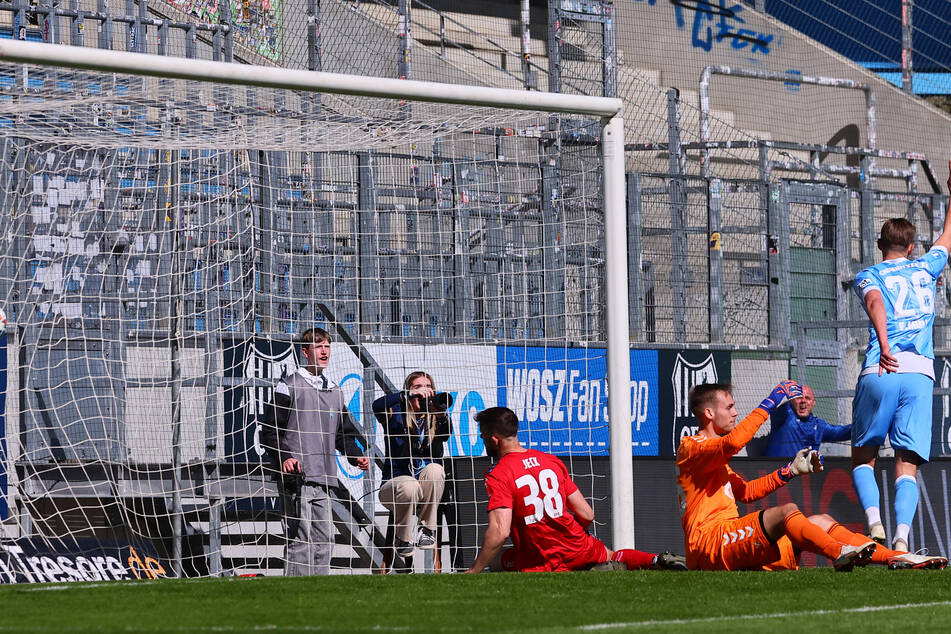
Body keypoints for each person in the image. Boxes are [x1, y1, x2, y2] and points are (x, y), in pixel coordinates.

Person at [678, 382, 946, 571]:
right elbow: (735, 442)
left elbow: (746, 492)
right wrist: (770, 402)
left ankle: (897, 557)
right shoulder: (693, 447)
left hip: (730, 541)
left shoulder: (712, 458)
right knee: (786, 512)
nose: (735, 412)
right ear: (709, 413)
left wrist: (790, 471)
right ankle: (839, 553)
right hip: (709, 543)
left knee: (822, 521)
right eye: (729, 407)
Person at [465, 406, 686, 573]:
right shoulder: (550, 460)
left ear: (494, 439)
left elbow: (500, 531)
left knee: (497, 561)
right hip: (575, 544)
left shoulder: (498, 472)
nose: (483, 441)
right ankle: (656, 559)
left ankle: (590, 570)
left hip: (540, 555)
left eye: (483, 437)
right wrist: (570, 536)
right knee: (611, 554)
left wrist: (474, 570)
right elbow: (587, 514)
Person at [851, 191, 951, 551]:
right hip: (920, 374)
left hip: (882, 368)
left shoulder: (868, 274)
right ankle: (902, 538)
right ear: (911, 247)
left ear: (880, 245)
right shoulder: (926, 267)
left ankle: (874, 523)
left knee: (863, 456)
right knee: (906, 463)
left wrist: (884, 344)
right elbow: (948, 235)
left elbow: (875, 302)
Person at [260, 327, 370, 576]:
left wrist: (355, 456)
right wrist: (284, 457)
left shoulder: (334, 390)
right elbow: (270, 432)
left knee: (325, 539)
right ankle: (295, 591)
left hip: (324, 477)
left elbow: (343, 434)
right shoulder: (288, 386)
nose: (324, 351)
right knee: (300, 539)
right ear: (305, 352)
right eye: (318, 346)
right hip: (297, 477)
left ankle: (318, 590)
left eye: (327, 346)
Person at [372, 371, 451, 558]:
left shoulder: (436, 417)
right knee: (410, 484)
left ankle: (427, 530)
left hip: (424, 490)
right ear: (409, 391)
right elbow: (376, 406)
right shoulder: (395, 413)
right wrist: (407, 396)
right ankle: (402, 538)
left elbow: (446, 434)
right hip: (394, 488)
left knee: (435, 469)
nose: (424, 391)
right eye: (418, 387)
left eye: (428, 387)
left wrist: (440, 415)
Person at [764, 384, 851, 457]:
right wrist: (787, 386)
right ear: (792, 401)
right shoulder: (784, 415)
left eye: (808, 398)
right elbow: (775, 402)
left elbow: (840, 432)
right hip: (776, 469)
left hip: (803, 472)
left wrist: (859, 426)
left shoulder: (818, 425)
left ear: (813, 403)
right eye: (799, 397)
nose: (803, 401)